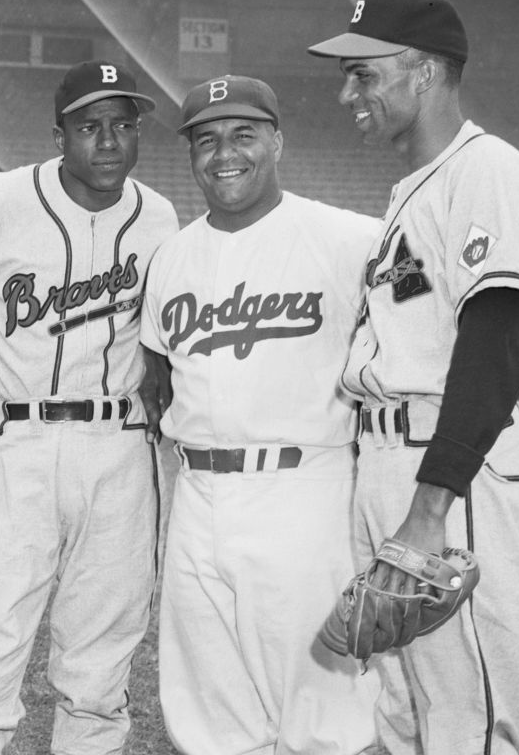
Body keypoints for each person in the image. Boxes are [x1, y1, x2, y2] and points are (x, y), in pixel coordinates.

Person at [307, 0, 519, 754]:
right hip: (394, 457)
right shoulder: (413, 191)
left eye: (364, 73)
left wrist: (428, 506)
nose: (348, 93)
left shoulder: (489, 170)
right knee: (400, 712)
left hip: (453, 471)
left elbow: (498, 338)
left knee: (462, 720)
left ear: (423, 72)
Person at [0, 60, 177, 754]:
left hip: (121, 446)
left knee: (102, 653)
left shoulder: (159, 216)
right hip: (22, 440)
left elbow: (162, 332)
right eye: (90, 127)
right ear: (59, 137)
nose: (108, 141)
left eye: (123, 125)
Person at [136, 74, 378, 755]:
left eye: (243, 134)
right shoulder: (172, 258)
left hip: (304, 488)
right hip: (198, 493)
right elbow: (160, 377)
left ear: (277, 143)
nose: (224, 154)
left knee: (323, 707)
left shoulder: (348, 239)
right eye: (206, 140)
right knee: (210, 706)